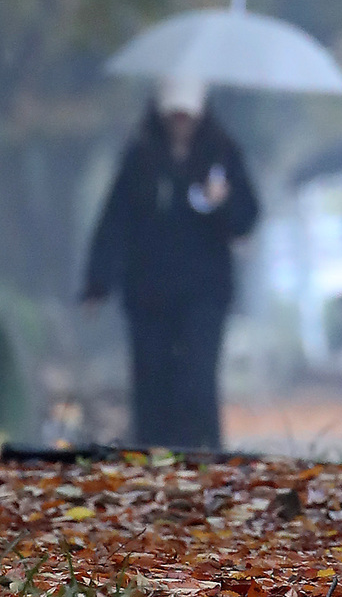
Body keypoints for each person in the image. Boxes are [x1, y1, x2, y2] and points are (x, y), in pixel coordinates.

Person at [82, 72, 260, 449]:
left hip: (205, 290)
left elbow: (246, 218)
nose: (181, 123)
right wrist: (98, 282)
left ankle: (203, 451)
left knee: (198, 376)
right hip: (149, 290)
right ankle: (152, 450)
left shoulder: (223, 153)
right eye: (174, 115)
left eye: (187, 115)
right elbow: (116, 221)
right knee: (152, 376)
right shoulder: (141, 157)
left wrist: (222, 203)